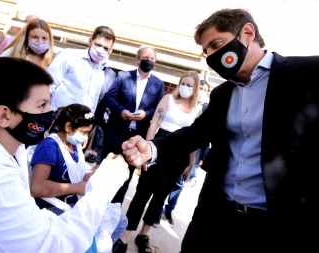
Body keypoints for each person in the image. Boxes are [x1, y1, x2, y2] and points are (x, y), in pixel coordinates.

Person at [122, 8, 319, 252]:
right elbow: (195, 134)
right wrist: (151, 148)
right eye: (206, 51)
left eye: (216, 44)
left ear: (247, 32)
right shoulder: (222, 93)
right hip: (215, 215)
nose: (211, 56)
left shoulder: (308, 74)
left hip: (275, 225)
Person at [0, 57, 129, 253]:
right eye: (42, 106)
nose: (51, 113)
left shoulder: (1, 151)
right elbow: (56, 246)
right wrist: (107, 182)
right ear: (4, 116)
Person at [113, 71, 201, 253]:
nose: (185, 87)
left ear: (196, 88)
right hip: (160, 146)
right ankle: (126, 235)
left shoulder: (197, 109)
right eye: (183, 83)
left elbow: (194, 138)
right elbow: (154, 124)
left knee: (160, 198)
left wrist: (190, 164)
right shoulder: (168, 99)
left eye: (189, 85)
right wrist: (148, 150)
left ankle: (143, 235)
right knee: (142, 193)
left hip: (180, 155)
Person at [30, 104, 128, 252]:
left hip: (73, 201)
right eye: (84, 132)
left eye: (88, 133)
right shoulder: (49, 147)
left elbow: (75, 174)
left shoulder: (73, 145)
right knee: (98, 241)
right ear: (68, 127)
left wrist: (93, 175)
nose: (85, 137)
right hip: (52, 206)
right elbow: (36, 187)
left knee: (120, 221)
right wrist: (77, 187)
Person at [102, 45, 164, 205]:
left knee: (125, 176)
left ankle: (114, 210)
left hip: (136, 138)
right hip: (116, 132)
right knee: (104, 170)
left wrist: (146, 115)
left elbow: (158, 109)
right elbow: (109, 98)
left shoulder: (158, 84)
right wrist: (121, 111)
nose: (149, 61)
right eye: (145, 58)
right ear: (137, 59)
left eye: (152, 59)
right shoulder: (123, 76)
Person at [47, 25, 116, 114]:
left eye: (105, 48)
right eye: (98, 45)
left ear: (110, 50)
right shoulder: (68, 56)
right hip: (55, 118)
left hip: (81, 124)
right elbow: (48, 86)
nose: (100, 50)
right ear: (90, 41)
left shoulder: (104, 71)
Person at [185, 79, 210, 187]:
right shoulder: (187, 103)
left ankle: (170, 204)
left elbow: (207, 138)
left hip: (196, 152)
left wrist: (203, 157)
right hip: (182, 145)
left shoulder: (207, 110)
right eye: (200, 88)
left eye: (205, 90)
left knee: (186, 181)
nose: (202, 91)